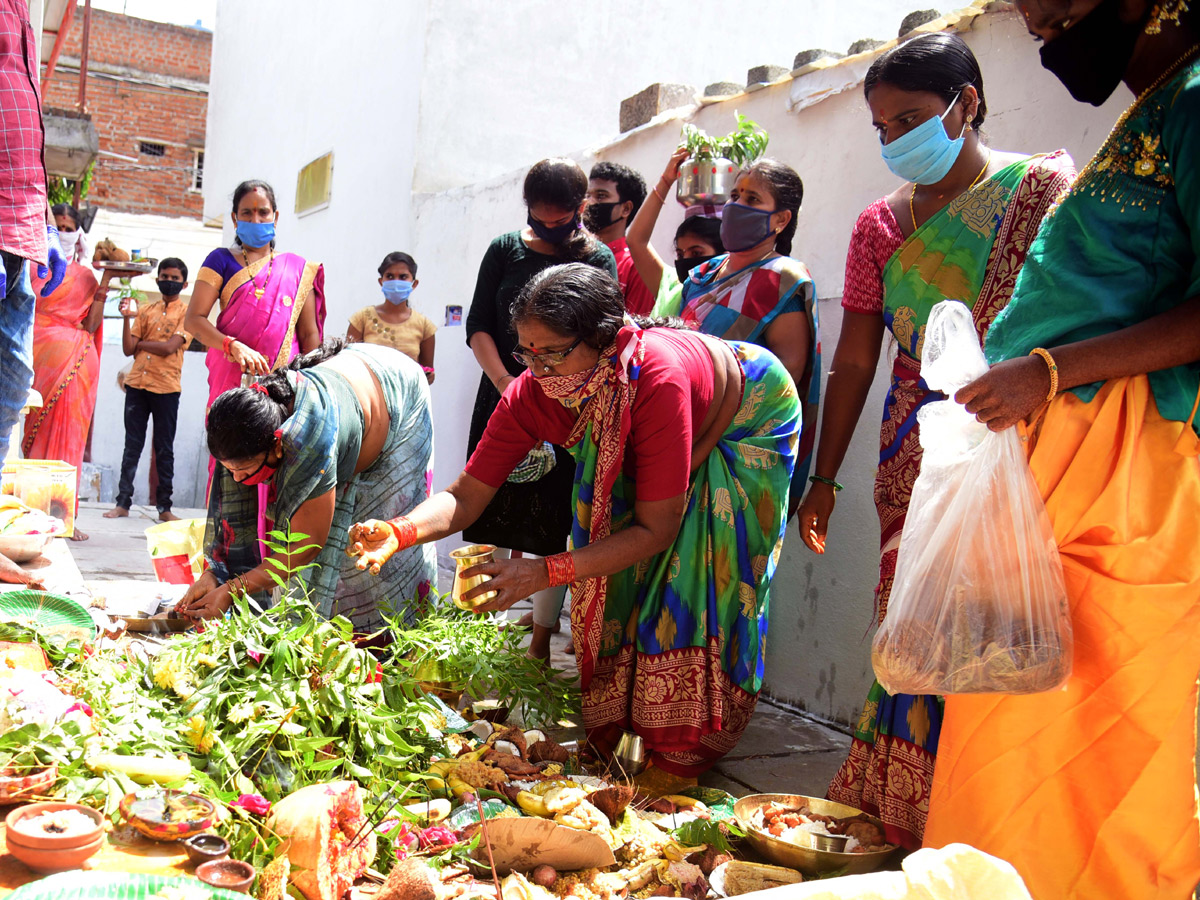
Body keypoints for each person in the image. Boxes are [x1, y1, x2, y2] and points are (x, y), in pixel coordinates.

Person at [918, 4, 1200, 897]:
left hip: (1126, 466)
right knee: (1009, 718)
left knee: (1100, 731)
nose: (1040, 22)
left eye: (1057, 6)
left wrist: (1049, 368)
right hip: (1059, 454)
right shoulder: (1154, 103)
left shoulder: (1195, 101)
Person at [349, 263, 800, 780]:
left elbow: (658, 530)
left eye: (554, 353)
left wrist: (542, 573)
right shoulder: (533, 392)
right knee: (606, 573)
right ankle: (622, 727)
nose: (538, 370)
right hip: (662, 426)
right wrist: (400, 531)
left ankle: (682, 748)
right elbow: (467, 494)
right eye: (526, 352)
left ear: (606, 338)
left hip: (745, 420)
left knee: (695, 581)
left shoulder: (655, 379)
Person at [791, 33, 1075, 852]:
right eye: (881, 128)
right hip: (911, 445)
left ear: (968, 104)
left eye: (909, 118)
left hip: (1021, 436)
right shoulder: (880, 224)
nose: (893, 141)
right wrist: (823, 477)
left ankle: (989, 811)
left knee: (1005, 623)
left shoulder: (1044, 192)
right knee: (914, 619)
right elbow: (853, 360)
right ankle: (907, 805)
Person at [176, 340, 436, 636]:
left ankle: (394, 639)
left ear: (277, 444)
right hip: (352, 382)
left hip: (398, 390)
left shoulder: (308, 437)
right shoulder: (247, 421)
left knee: (372, 544)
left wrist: (233, 589)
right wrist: (215, 574)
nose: (236, 480)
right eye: (231, 470)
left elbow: (306, 546)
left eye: (243, 471)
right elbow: (232, 521)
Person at [464, 158, 617, 661]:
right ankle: (481, 633)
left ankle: (539, 643)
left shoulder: (597, 257)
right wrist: (511, 382)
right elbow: (479, 325)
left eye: (562, 217)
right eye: (541, 217)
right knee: (491, 509)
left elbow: (606, 334)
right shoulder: (505, 250)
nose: (551, 227)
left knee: (558, 516)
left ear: (581, 208)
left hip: (572, 401)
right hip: (506, 392)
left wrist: (551, 385)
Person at [644, 157, 820, 509]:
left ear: (781, 219)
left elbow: (781, 383)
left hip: (736, 453)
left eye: (753, 199)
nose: (737, 206)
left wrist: (709, 435)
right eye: (736, 195)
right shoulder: (701, 277)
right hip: (677, 431)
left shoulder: (782, 280)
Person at [0, 0, 67, 583]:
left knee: (12, 382)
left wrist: (44, 225)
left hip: (21, 226)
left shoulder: (24, 12)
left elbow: (25, 133)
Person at [186, 179, 325, 417]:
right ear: (234, 218)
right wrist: (232, 345)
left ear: (275, 216)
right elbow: (193, 321)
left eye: (263, 212)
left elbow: (309, 334)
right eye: (247, 213)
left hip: (282, 385)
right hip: (231, 379)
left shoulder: (298, 270)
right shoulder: (220, 260)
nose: (256, 220)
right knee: (232, 450)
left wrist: (314, 386)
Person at [22, 203, 109, 542]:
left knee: (70, 440)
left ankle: (63, 516)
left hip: (75, 364)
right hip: (35, 358)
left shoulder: (86, 276)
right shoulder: (31, 267)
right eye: (56, 225)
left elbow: (91, 323)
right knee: (27, 434)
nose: (63, 231)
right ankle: (27, 511)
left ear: (79, 233)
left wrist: (108, 278)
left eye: (69, 226)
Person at [104, 258, 192, 522]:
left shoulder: (187, 313)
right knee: (132, 445)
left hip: (166, 388)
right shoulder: (144, 310)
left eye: (175, 278)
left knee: (164, 447)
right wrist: (127, 319)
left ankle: (164, 508)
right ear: (158, 278)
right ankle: (123, 504)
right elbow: (128, 348)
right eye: (165, 275)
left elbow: (169, 348)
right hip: (137, 385)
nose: (169, 280)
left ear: (184, 283)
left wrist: (142, 343)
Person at [631, 147, 726, 317]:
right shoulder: (674, 287)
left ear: (725, 252)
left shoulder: (736, 293)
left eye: (697, 252)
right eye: (681, 255)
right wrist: (666, 181)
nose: (687, 261)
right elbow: (636, 240)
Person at [346, 252, 435, 383]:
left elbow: (428, 373)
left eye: (403, 277)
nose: (396, 282)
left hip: (407, 400)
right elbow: (348, 363)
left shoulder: (424, 326)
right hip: (369, 397)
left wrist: (428, 376)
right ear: (381, 281)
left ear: (414, 283)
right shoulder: (362, 319)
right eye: (390, 276)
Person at [584, 161, 654, 314]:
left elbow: (637, 327)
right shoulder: (576, 253)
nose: (589, 202)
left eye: (601, 196)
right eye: (587, 195)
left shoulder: (635, 264)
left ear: (626, 208)